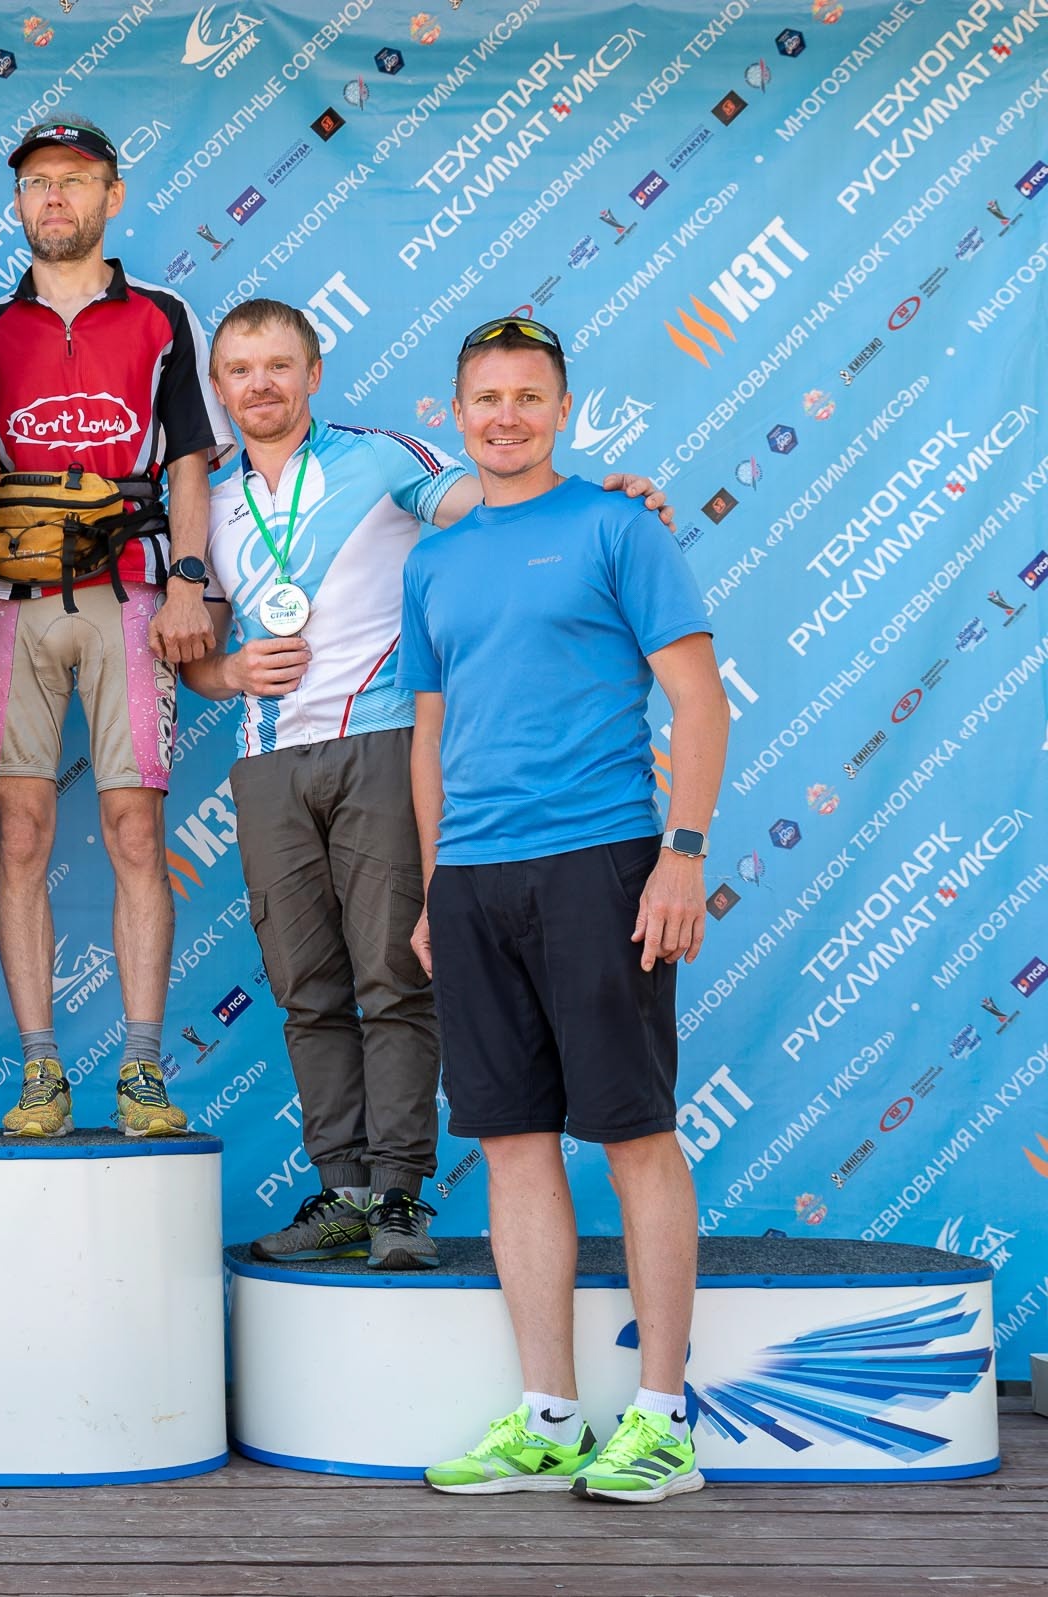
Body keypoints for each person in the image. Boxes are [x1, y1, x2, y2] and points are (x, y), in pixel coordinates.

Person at [178, 300, 668, 1269]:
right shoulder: (207, 500)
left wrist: (609, 504)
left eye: (279, 365)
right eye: (239, 369)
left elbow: (497, 502)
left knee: (394, 978)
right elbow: (191, 648)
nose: (260, 384)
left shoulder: (377, 457)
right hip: (268, 761)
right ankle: (344, 1193)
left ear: (313, 375)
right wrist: (227, 671)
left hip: (384, 741)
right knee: (306, 990)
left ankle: (400, 1196)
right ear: (220, 387)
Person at [409, 315, 722, 1502]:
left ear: (564, 411)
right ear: (456, 415)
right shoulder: (433, 561)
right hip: (473, 883)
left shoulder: (618, 526)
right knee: (511, 1142)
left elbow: (699, 701)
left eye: (528, 397)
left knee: (635, 1135)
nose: (506, 416)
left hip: (603, 861)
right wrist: (434, 888)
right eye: (486, 398)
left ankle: (663, 1421)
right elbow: (430, 735)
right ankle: (548, 1415)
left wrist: (681, 854)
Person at [0, 118, 226, 1139]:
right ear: (18, 201)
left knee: (134, 831)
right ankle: (41, 1071)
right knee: (19, 834)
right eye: (37, 181)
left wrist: (191, 582)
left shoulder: (164, 315)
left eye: (75, 180)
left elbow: (191, 463)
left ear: (112, 196)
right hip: (11, 601)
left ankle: (143, 1069)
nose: (55, 197)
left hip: (131, 593)